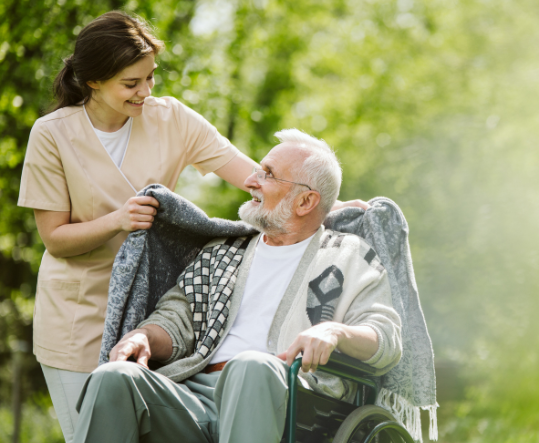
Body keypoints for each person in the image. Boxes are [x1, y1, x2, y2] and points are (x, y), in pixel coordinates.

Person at [16, 11, 365, 443]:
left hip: (152, 310)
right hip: (78, 316)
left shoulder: (172, 119)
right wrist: (117, 221)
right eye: (131, 84)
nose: (145, 92)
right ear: (93, 81)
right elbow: (55, 239)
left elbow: (256, 177)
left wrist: (324, 201)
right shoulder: (51, 135)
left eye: (150, 78)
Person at [72, 129, 402, 443]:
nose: (249, 181)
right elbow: (176, 319)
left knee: (251, 365)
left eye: (267, 174)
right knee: (113, 378)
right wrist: (142, 335)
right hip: (195, 395)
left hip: (294, 397)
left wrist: (334, 332)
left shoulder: (349, 256)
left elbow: (386, 337)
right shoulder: (223, 252)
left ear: (305, 202)